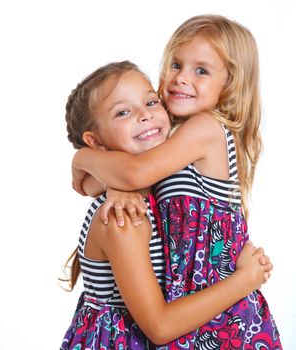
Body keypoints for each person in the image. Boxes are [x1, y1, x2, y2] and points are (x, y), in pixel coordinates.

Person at [70, 16, 282, 348]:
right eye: (175, 64)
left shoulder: (204, 129)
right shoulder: (164, 139)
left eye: (201, 70)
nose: (180, 78)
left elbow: (125, 174)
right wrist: (112, 182)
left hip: (222, 314)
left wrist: (82, 160)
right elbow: (95, 183)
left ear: (231, 84)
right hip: (190, 312)